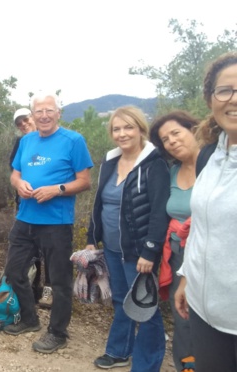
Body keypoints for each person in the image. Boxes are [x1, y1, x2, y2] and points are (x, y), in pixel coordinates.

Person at [4, 92, 93, 354]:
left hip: (57, 222)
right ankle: (30, 319)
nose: (43, 115)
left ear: (58, 113)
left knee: (59, 281)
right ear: (32, 115)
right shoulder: (27, 140)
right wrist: (18, 183)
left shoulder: (73, 140)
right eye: (38, 111)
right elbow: (15, 173)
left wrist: (57, 189)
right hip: (25, 219)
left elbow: (85, 181)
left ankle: (57, 332)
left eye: (49, 110)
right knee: (15, 271)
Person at [86, 106, 169, 370]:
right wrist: (92, 236)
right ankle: (119, 351)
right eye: (116, 129)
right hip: (112, 248)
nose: (122, 134)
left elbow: (159, 211)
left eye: (128, 127)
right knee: (121, 301)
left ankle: (147, 364)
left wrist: (150, 251)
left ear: (140, 128)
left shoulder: (154, 163)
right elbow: (99, 202)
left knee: (145, 308)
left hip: (138, 250)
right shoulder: (110, 161)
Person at [175, 52, 237, 371]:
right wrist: (186, 277)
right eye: (225, 90)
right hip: (203, 313)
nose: (233, 99)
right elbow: (201, 225)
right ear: (211, 99)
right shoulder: (208, 156)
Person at [149, 111, 200, 372]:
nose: (172, 141)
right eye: (165, 139)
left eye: (176, 133)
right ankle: (186, 367)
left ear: (193, 129)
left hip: (210, 255)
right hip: (178, 255)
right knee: (184, 317)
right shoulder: (173, 172)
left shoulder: (217, 165)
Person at [9, 108, 52, 309]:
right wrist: (20, 185)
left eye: (25, 120)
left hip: (50, 205)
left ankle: (49, 289)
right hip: (25, 204)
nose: (24, 125)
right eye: (19, 124)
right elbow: (14, 170)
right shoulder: (21, 143)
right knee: (29, 249)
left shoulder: (52, 139)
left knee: (50, 249)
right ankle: (32, 287)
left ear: (34, 118)